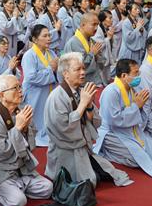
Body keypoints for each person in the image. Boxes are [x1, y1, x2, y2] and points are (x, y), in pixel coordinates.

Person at [44, 53, 132, 187]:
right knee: (90, 182)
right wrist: (83, 104)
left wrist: (89, 105)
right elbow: (64, 129)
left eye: (83, 68)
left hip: (82, 147)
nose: (83, 72)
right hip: (65, 151)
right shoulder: (56, 97)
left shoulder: (81, 91)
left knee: (110, 173)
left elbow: (96, 122)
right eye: (77, 69)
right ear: (66, 74)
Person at [0, 74, 53, 206]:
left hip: (19, 168)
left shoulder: (21, 110)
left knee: (47, 188)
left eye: (20, 86)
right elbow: (1, 153)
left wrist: (26, 128)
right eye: (15, 88)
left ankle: (17, 186)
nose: (20, 91)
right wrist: (18, 128)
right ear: (2, 95)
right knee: (18, 202)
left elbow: (31, 145)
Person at [22, 24, 58, 147]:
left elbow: (57, 72)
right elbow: (31, 77)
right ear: (35, 39)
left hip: (49, 90)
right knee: (37, 118)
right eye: (45, 36)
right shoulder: (29, 55)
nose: (49, 38)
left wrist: (56, 70)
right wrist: (50, 69)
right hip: (34, 93)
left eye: (49, 35)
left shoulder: (51, 53)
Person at [63, 12, 104, 84]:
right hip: (80, 85)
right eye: (94, 24)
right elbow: (77, 67)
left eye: (98, 25)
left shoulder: (92, 41)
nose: (96, 28)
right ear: (83, 25)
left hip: (93, 82)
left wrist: (97, 56)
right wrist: (92, 54)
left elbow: (101, 63)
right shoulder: (73, 42)